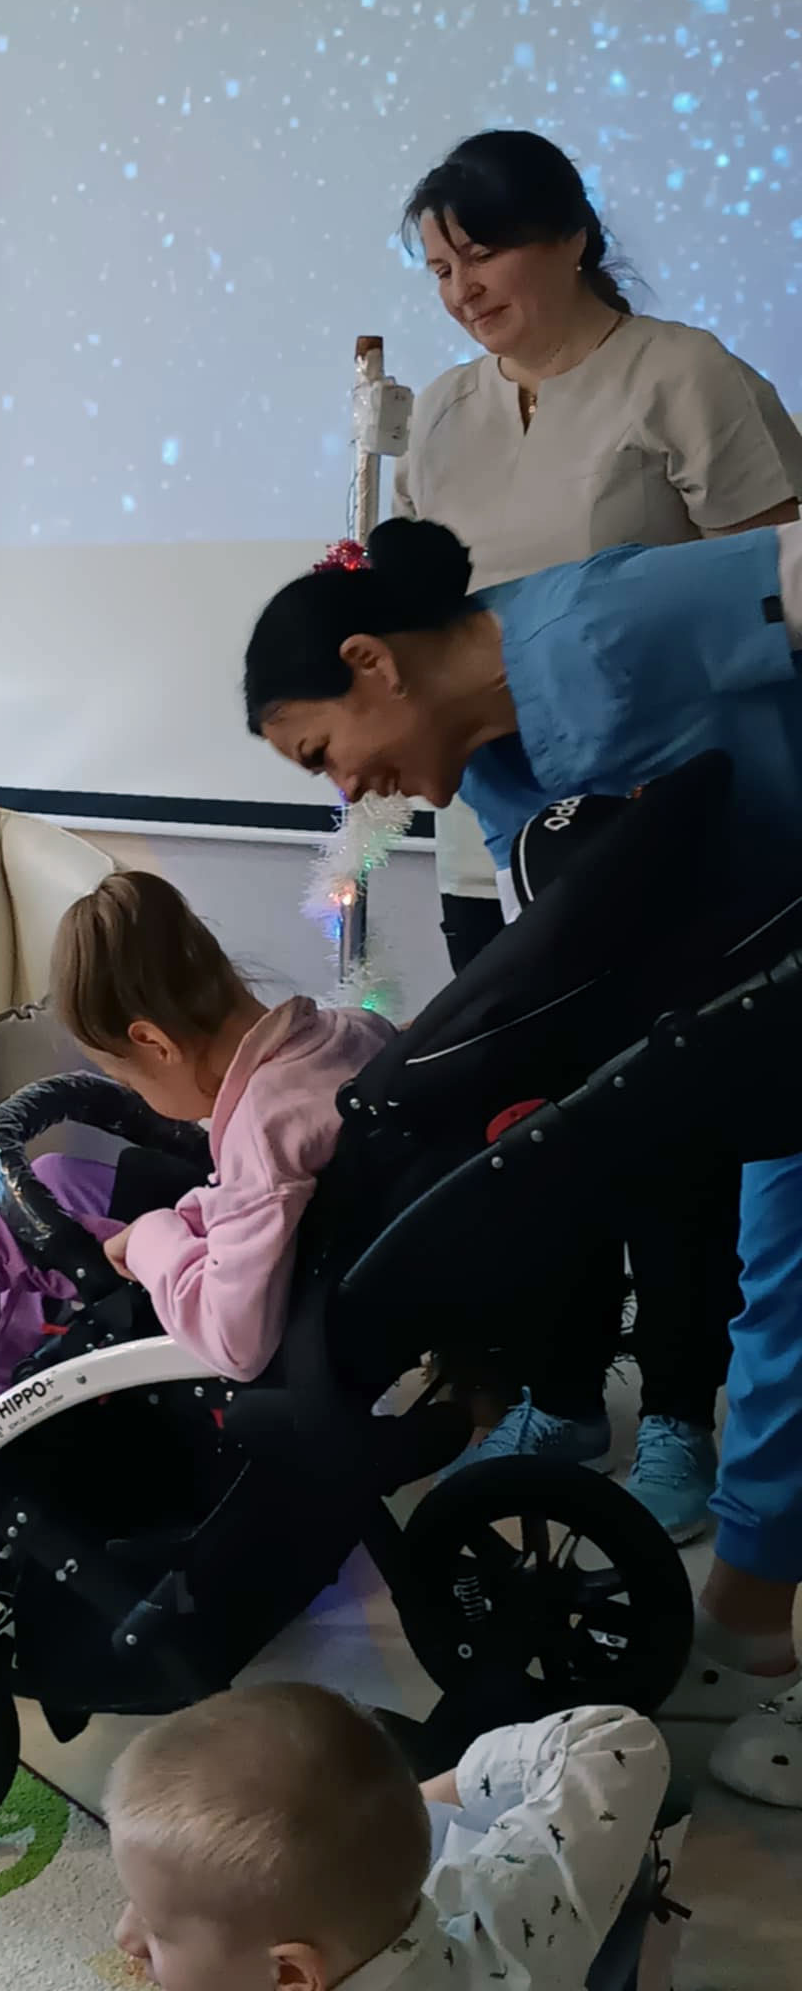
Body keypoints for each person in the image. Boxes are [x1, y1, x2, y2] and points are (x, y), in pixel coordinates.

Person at [241, 513, 802, 1805]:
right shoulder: (495, 770)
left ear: (374, 662)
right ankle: (747, 1627)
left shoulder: (610, 620)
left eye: (328, 752)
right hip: (770, 1009)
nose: (348, 790)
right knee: (781, 1314)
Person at [391, 127, 802, 1536]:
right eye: (437, 267)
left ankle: (683, 1413)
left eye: (482, 253)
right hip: (497, 832)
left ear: (570, 232)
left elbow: (782, 587)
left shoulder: (687, 379)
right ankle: (559, 1388)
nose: (461, 290)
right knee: (523, 1120)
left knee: (677, 1123)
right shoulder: (442, 412)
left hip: (677, 837)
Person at [0, 870, 393, 1520]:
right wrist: (187, 1219)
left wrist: (153, 1238)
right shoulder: (351, 1035)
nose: (140, 1097)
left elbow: (237, 1338)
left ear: (153, 1043)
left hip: (249, 1316)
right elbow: (262, 1202)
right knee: (56, 1178)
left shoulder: (261, 1130)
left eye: (126, 1075)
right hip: (303, 1264)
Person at [107, 1683, 670, 1990]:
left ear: (288, 1976)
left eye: (157, 1931)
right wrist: (426, 1800)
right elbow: (614, 1742)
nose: (123, 1935)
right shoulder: (500, 1907)